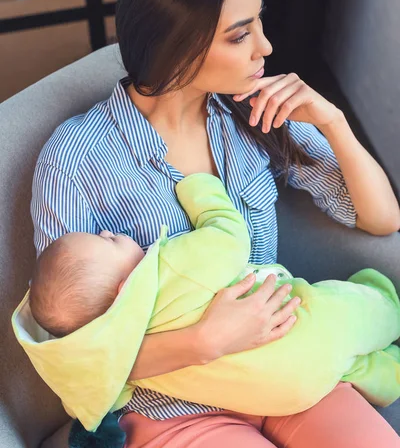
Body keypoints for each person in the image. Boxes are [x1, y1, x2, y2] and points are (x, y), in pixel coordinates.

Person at [30, 0, 400, 448]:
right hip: (173, 410)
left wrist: (334, 123)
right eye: (240, 35)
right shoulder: (76, 160)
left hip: (287, 370)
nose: (266, 48)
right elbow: (72, 359)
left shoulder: (253, 116)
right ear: (178, 44)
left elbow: (381, 219)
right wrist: (204, 341)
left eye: (259, 23)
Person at [21, 171, 400, 431]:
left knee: (347, 367)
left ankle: (388, 374)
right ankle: (386, 305)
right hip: (300, 330)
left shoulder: (112, 352)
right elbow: (229, 237)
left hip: (281, 395)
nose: (107, 231)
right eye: (107, 241)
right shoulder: (169, 267)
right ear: (123, 288)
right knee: (353, 311)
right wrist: (200, 190)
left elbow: (99, 397)